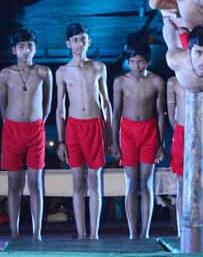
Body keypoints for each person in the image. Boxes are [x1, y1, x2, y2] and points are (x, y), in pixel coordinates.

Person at [55, 22, 113, 240]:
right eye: (76, 40)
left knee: (95, 181)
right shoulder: (62, 72)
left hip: (95, 125)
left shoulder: (99, 67)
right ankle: (81, 233)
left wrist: (110, 135)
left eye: (83, 39)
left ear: (89, 41)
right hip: (74, 127)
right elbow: (60, 108)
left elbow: (106, 103)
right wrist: (60, 141)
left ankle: (94, 233)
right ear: (68, 43)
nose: (80, 44)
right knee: (77, 182)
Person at [0, 29, 52, 240]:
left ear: (35, 48)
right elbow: (2, 104)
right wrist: (8, 122)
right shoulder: (5, 74)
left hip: (36, 129)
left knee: (35, 182)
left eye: (30, 45)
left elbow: (48, 103)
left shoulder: (43, 72)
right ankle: (14, 231)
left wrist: (40, 121)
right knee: (14, 184)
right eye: (21, 46)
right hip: (12, 129)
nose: (26, 50)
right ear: (14, 50)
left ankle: (37, 233)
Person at [112, 41, 166, 239]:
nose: (136, 66)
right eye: (133, 62)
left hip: (149, 131)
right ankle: (133, 232)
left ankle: (145, 231)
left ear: (148, 61)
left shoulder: (157, 81)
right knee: (132, 183)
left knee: (146, 183)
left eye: (140, 62)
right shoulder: (120, 81)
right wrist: (115, 143)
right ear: (128, 62)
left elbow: (161, 113)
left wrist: (161, 144)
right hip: (128, 131)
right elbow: (116, 113)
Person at [167, 76, 203, 234]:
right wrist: (180, 131)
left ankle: (202, 227)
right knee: (182, 185)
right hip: (182, 132)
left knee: (201, 184)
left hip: (202, 131)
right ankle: (183, 229)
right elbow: (171, 115)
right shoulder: (173, 82)